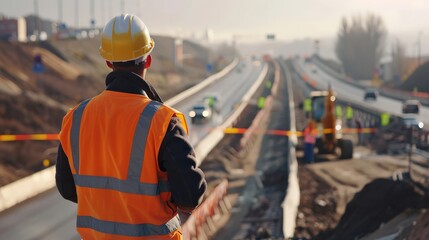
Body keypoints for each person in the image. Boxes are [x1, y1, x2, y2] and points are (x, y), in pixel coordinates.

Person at [55, 14, 207, 240]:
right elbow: (190, 196)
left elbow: (68, 189)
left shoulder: (75, 118)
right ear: (148, 60)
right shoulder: (163, 121)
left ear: (108, 62)